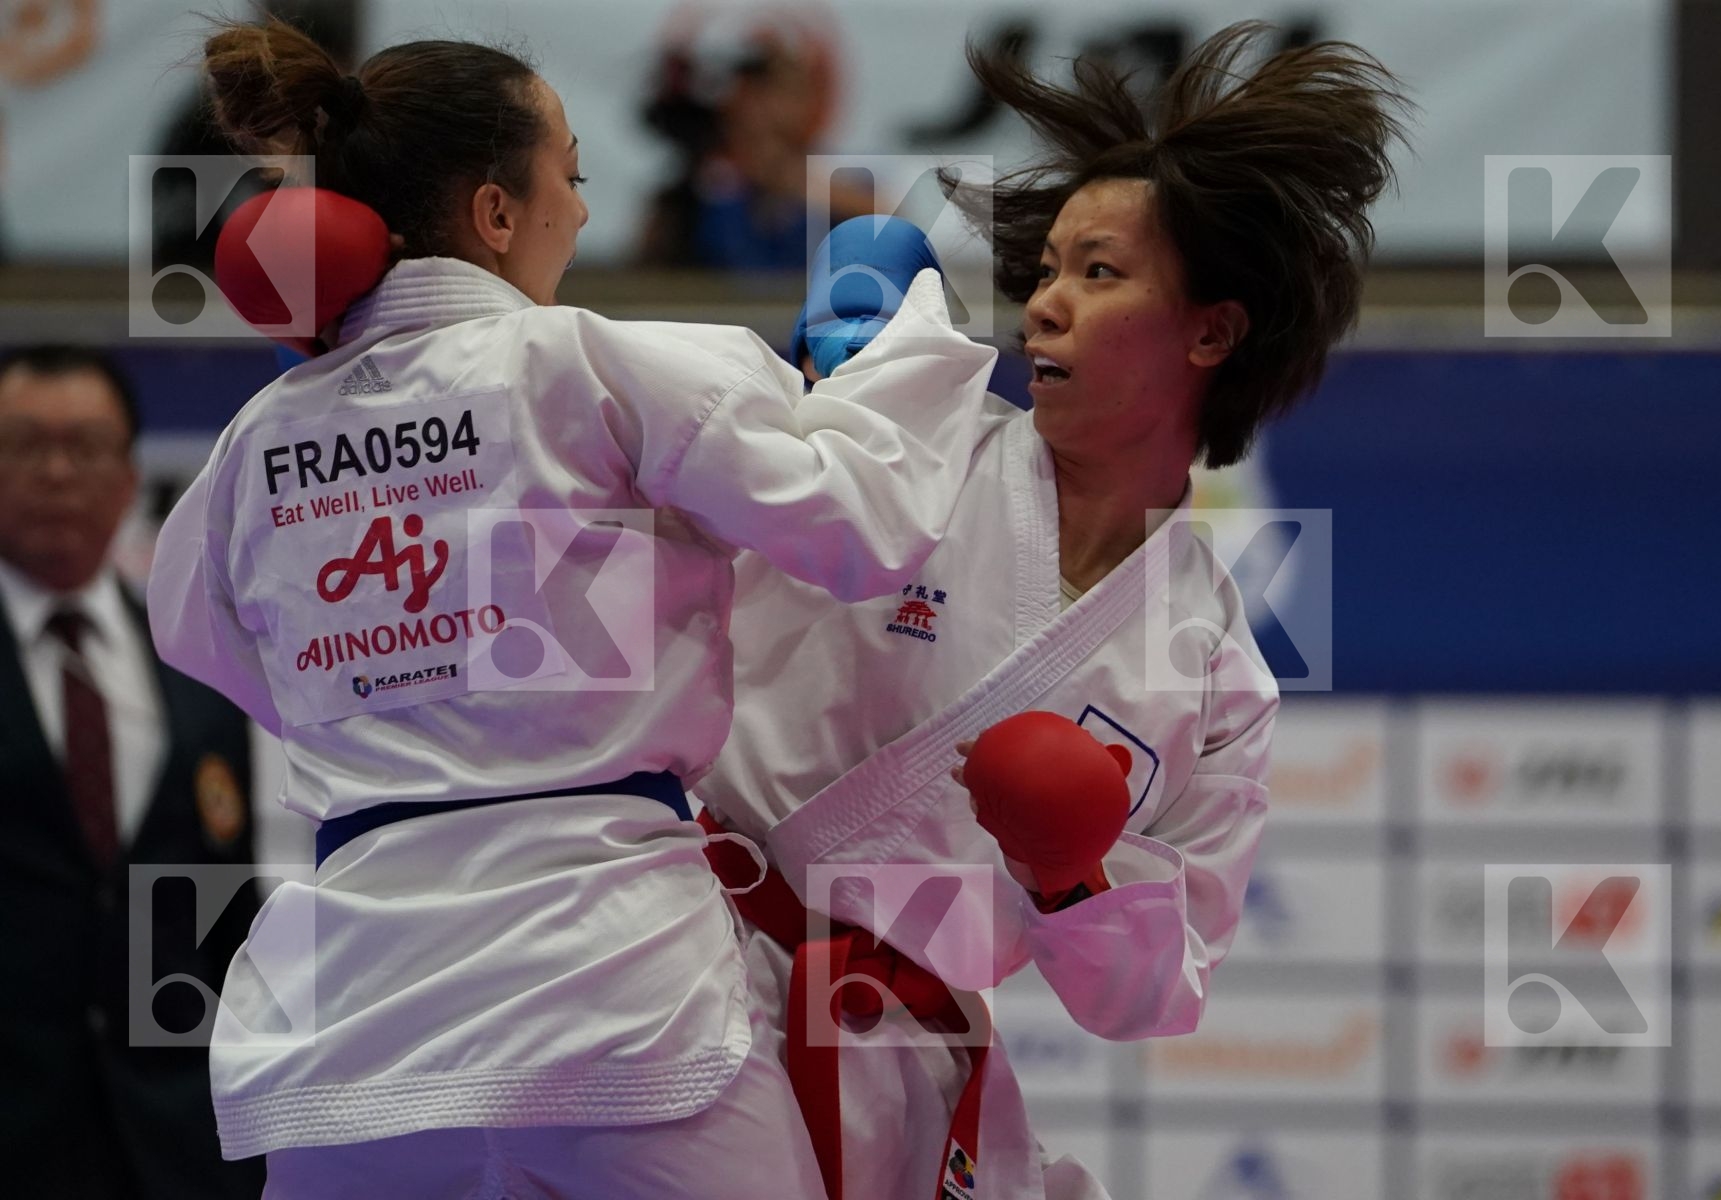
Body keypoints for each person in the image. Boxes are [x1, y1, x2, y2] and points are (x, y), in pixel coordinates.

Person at [147, 18, 994, 1200]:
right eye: (573, 177)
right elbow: (864, 522)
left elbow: (199, 634)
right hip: (610, 997)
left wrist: (413, 706)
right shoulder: (595, 364)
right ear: (498, 213)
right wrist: (894, 337)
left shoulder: (256, 442)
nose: (585, 214)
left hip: (350, 1026)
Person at [694, 22, 1411, 1200]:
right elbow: (663, 469)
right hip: (684, 961)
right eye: (1043, 272)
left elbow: (1154, 992)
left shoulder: (1213, 673)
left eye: (1098, 274)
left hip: (888, 1045)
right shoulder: (911, 427)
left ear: (1212, 331)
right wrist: (812, 393)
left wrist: (1072, 873)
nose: (1043, 308)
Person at [0, 344, 264, 1199]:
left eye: (84, 447)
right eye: (24, 444)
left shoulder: (198, 668)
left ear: (128, 480)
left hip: (175, 1147)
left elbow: (222, 918)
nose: (56, 473)